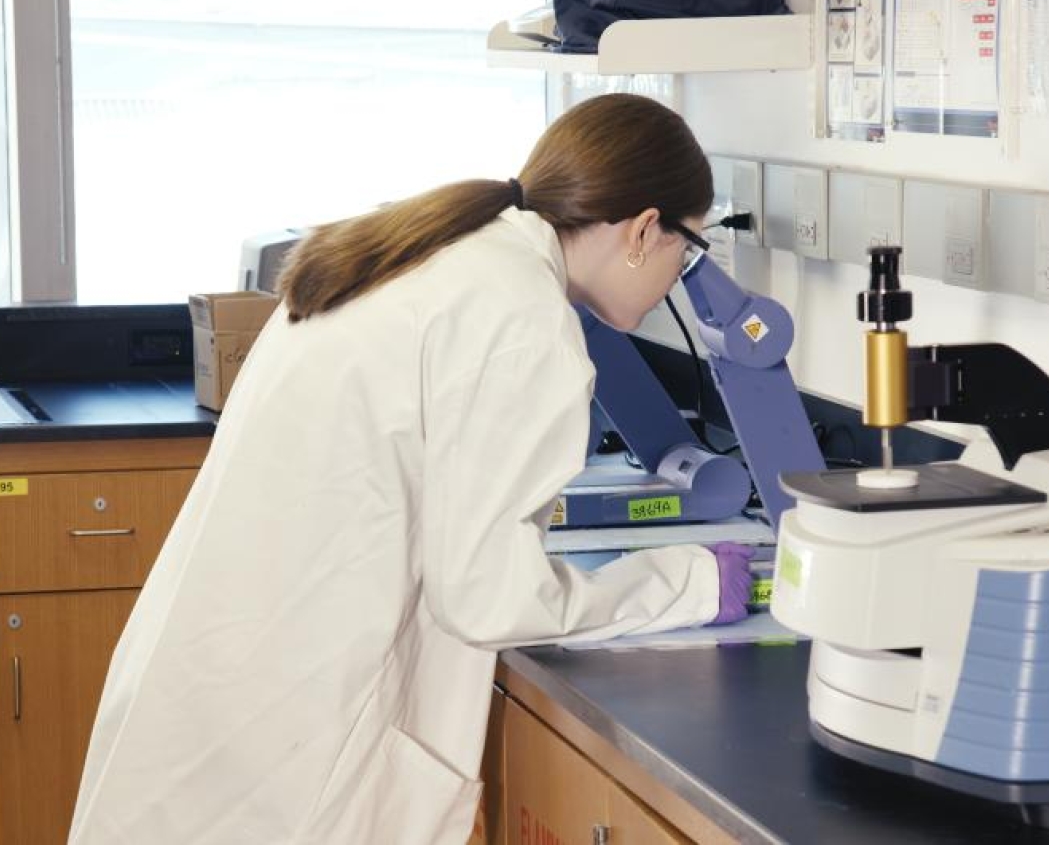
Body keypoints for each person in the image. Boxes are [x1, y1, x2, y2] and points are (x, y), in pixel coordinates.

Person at [69, 92, 754, 845]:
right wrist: (684, 582)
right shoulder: (522, 320)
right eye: (687, 250)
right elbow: (490, 599)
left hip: (218, 694)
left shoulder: (439, 253)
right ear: (643, 229)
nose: (675, 279)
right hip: (292, 735)